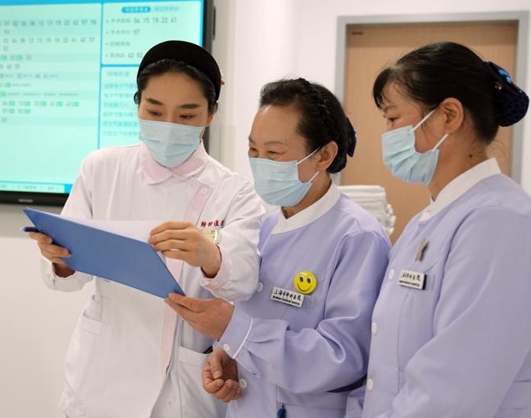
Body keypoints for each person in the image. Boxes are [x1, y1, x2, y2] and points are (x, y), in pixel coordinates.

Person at [28, 40, 266, 418]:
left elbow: (245, 283)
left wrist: (211, 256)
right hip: (103, 371)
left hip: (181, 383)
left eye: (186, 115)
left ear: (211, 113)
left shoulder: (234, 192)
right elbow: (67, 280)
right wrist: (59, 258)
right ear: (137, 103)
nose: (168, 125)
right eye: (154, 110)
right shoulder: (101, 169)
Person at [166, 78, 391, 418]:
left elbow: (342, 357)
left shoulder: (357, 237)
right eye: (253, 150)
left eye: (274, 153)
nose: (260, 162)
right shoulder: (266, 227)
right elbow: (254, 325)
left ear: (324, 155)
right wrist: (231, 355)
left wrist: (236, 330)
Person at [345, 42, 531, 418]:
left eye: (393, 119)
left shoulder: (498, 220)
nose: (387, 134)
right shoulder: (428, 220)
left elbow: (454, 391)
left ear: (449, 115)